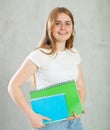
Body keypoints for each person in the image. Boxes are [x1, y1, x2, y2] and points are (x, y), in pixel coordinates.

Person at [8, 7, 86, 130]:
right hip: (51, 123)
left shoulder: (74, 53)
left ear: (72, 27)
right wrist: (31, 116)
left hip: (74, 121)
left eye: (67, 23)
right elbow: (13, 86)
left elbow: (80, 85)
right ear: (50, 27)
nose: (63, 28)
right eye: (57, 23)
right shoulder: (40, 55)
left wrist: (78, 107)